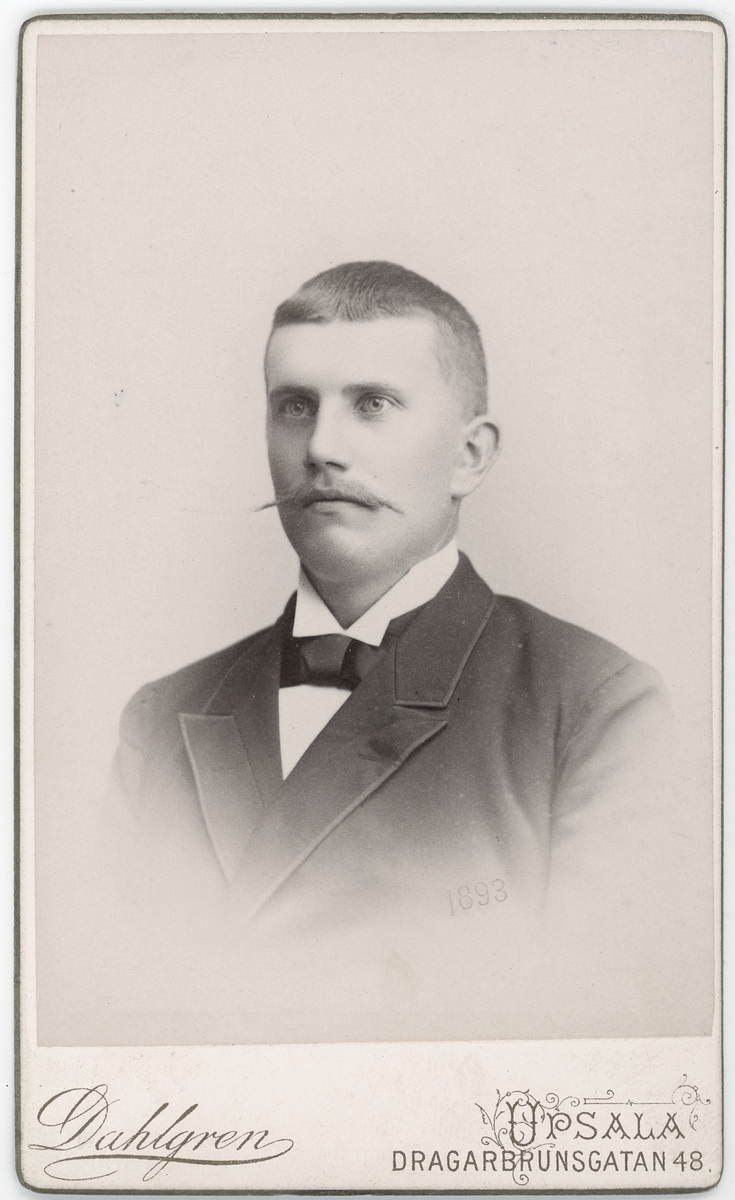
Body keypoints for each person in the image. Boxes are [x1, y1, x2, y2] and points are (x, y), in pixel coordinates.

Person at [103, 261, 702, 1044]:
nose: (321, 447)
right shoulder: (162, 716)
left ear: (468, 456)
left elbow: (599, 1032)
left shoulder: (593, 705)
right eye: (294, 406)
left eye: (372, 405)